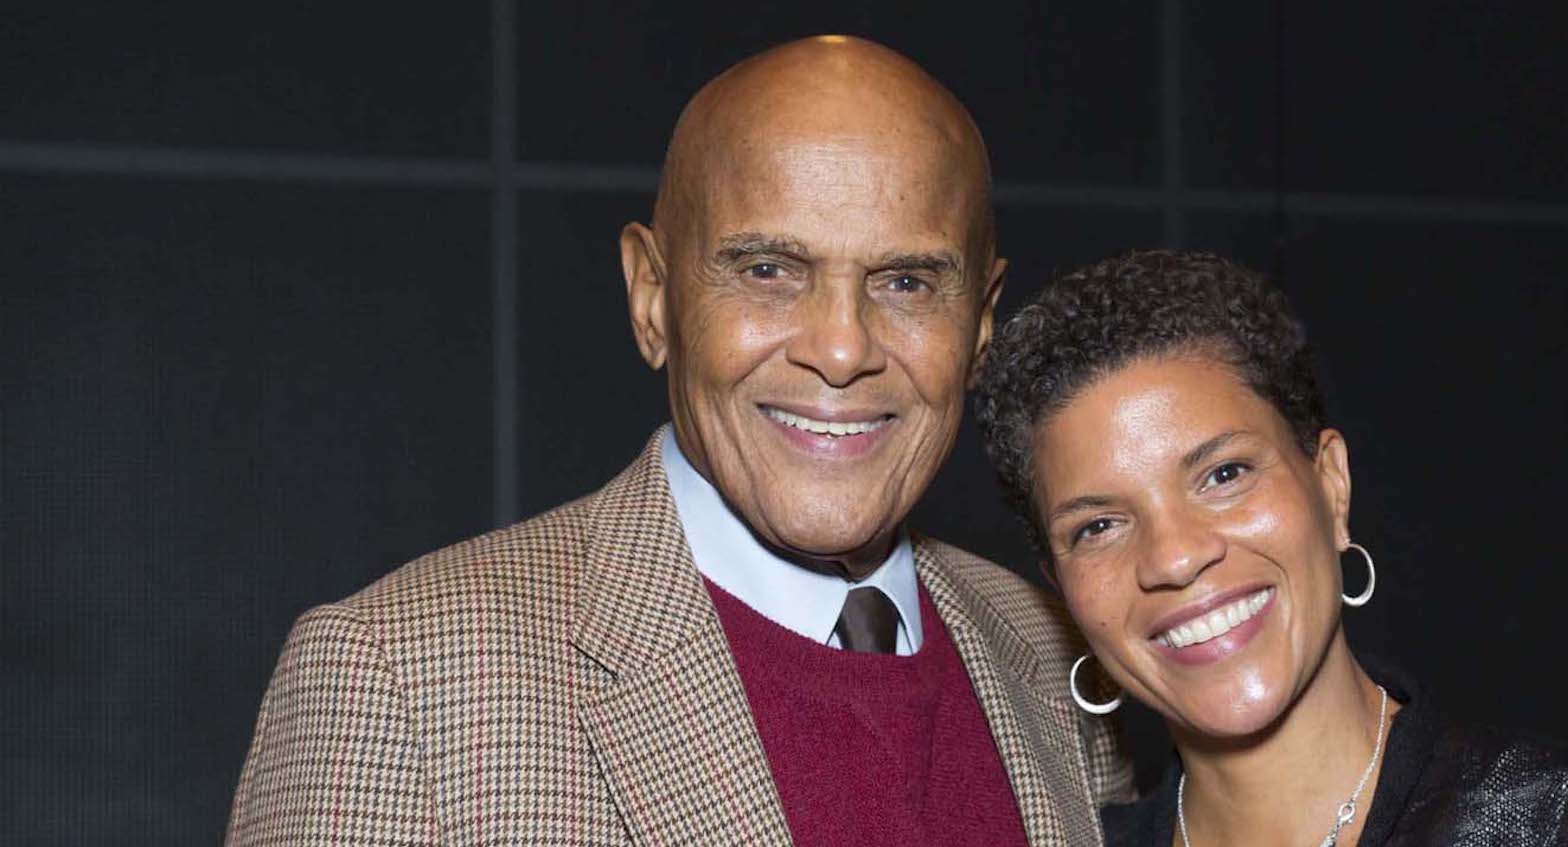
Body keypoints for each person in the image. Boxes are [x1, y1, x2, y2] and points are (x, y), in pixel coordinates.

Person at [225, 37, 1131, 847]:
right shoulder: (404, 682)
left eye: (905, 281)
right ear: (651, 295)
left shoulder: (1058, 656)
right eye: (769, 270)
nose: (843, 347)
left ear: (979, 325)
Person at [974, 250, 1568, 847]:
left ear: (1330, 484)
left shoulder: (1567, 829)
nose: (1174, 556)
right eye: (1097, 526)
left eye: (1223, 474)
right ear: (1061, 585)